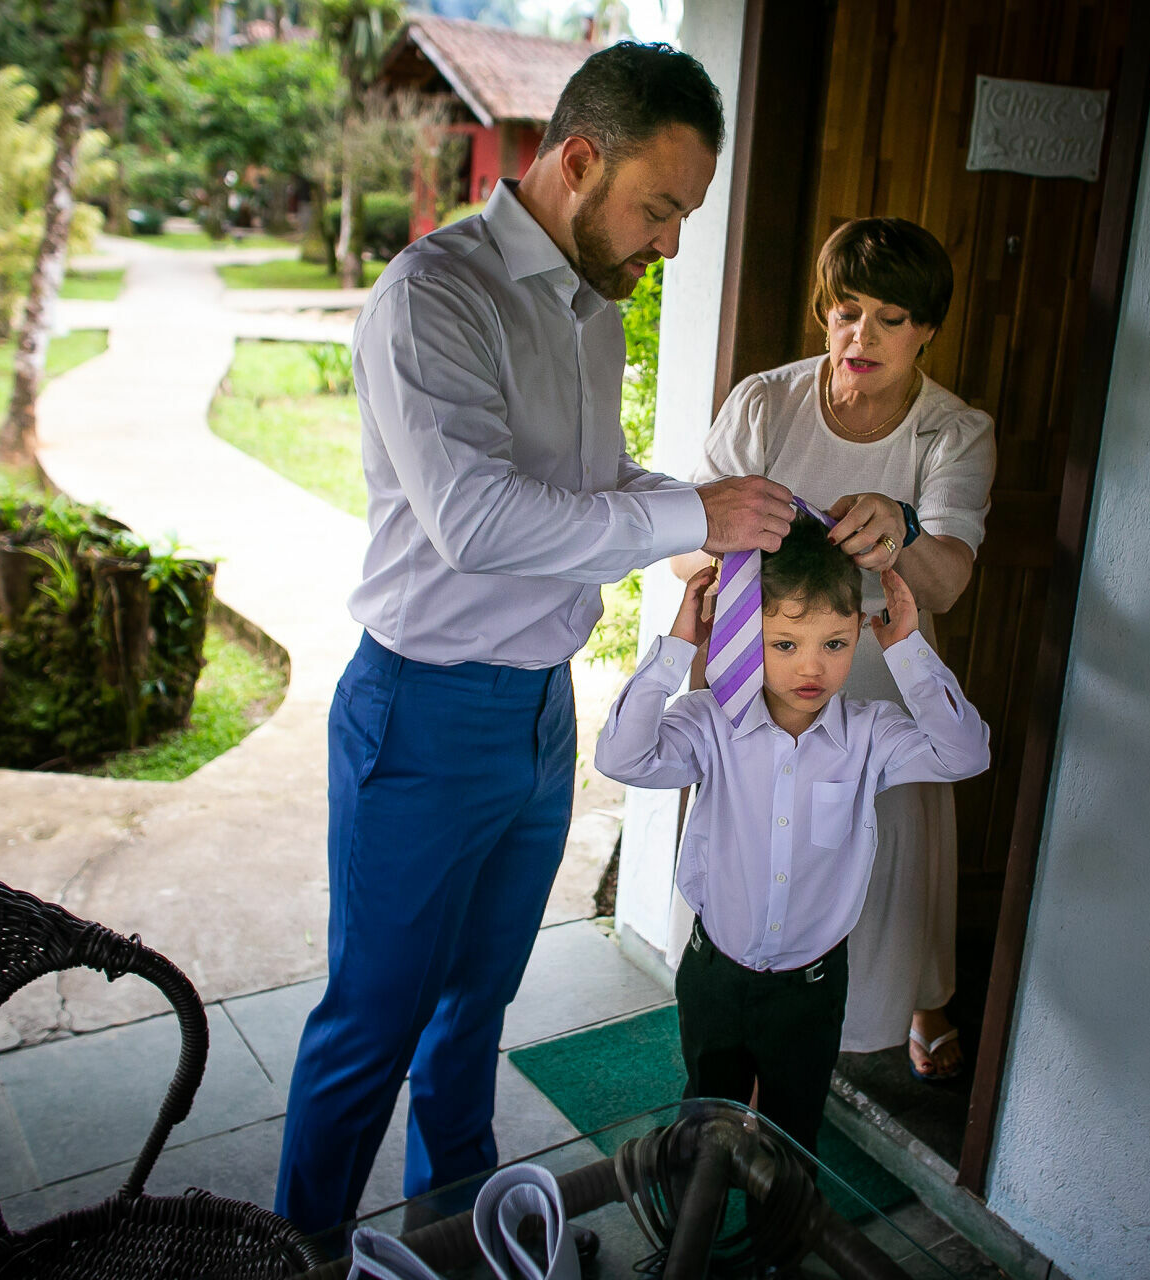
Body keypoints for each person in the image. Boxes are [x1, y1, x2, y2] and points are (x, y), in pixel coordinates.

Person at [274, 42, 798, 1239]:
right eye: (659, 208)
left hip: (539, 711)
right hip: (421, 709)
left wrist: (711, 526)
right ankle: (296, 1252)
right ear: (576, 160)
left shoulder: (590, 301)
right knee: (374, 1021)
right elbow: (475, 520)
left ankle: (457, 1236)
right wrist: (687, 513)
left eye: (684, 216)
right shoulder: (433, 296)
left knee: (476, 1007)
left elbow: (587, 477)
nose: (669, 243)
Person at [673, 218, 996, 1082]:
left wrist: (904, 530)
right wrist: (735, 537)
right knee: (766, 842)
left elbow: (950, 582)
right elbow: (682, 543)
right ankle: (753, 1006)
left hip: (884, 673)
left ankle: (905, 1004)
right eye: (847, 312)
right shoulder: (764, 402)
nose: (863, 337)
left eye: (891, 318)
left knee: (891, 849)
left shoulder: (952, 433)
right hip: (768, 663)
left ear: (927, 329)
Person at [599, 514, 990, 1151]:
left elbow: (965, 754)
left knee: (791, 1140)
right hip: (714, 973)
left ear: (859, 632)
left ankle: (773, 1252)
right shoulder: (711, 724)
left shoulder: (870, 735)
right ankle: (688, 1245)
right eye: (784, 644)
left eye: (834, 644)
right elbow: (621, 756)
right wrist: (679, 645)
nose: (811, 668)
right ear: (745, 633)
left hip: (810, 989)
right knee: (704, 1127)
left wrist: (909, 651)